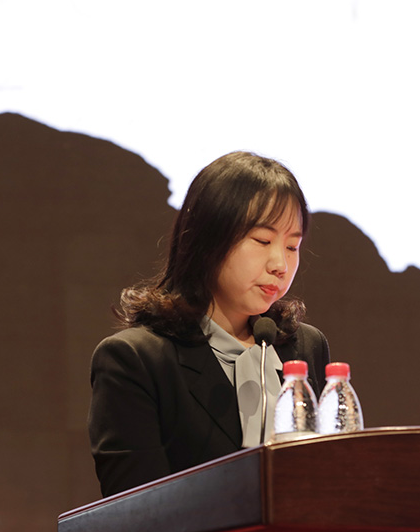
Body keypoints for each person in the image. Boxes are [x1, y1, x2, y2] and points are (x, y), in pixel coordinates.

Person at [87, 151, 330, 499]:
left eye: (292, 246)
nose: (280, 264)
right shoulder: (135, 359)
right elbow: (136, 509)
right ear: (208, 240)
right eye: (263, 241)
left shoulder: (305, 346)